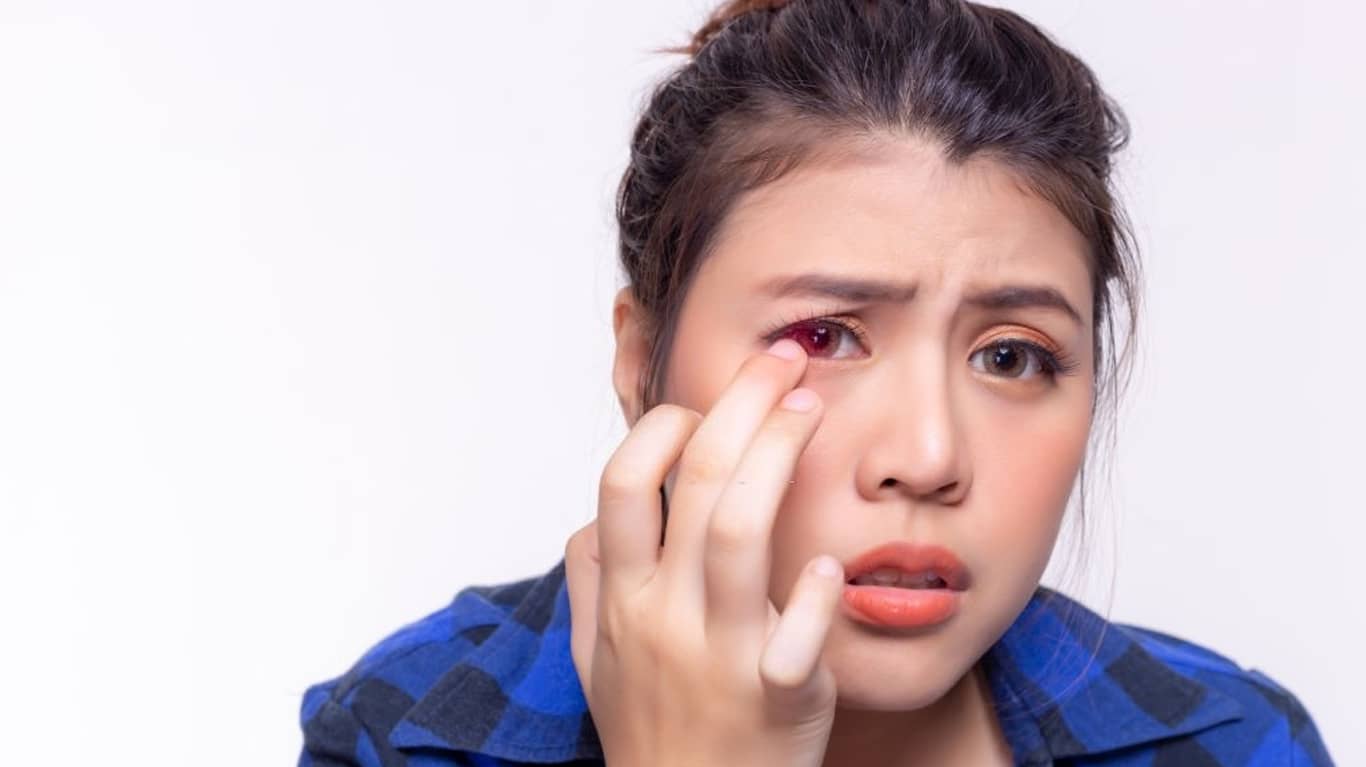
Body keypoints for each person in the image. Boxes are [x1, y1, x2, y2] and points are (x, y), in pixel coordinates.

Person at [297, 1, 1334, 764]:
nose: (926, 456)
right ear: (640, 361)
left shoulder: (1230, 743)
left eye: (1011, 356)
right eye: (824, 336)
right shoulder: (415, 731)